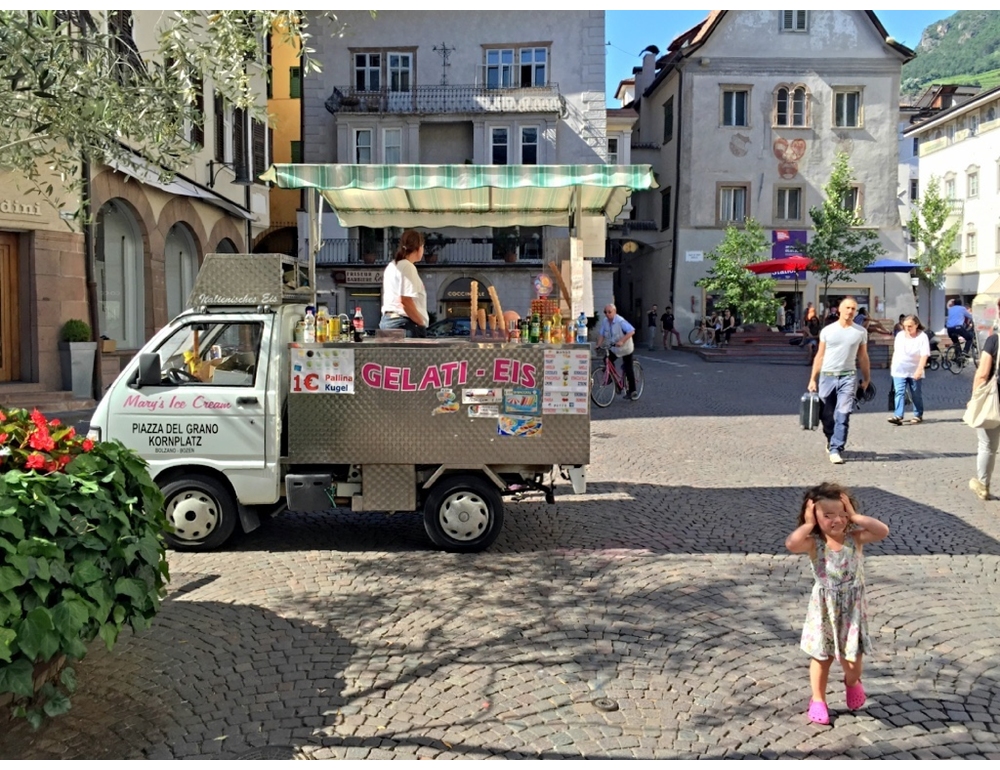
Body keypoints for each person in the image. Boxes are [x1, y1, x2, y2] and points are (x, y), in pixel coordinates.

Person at [785, 483, 890, 725]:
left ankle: (852, 681)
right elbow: (791, 544)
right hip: (824, 609)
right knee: (822, 658)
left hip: (852, 611)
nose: (837, 520)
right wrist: (808, 524)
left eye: (842, 514)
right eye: (828, 515)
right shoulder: (814, 543)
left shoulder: (855, 538)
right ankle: (818, 699)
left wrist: (855, 515)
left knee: (853, 661)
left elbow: (882, 531)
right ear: (814, 516)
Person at [807, 297, 871, 464]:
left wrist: (867, 378)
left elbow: (863, 356)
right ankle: (830, 438)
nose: (850, 311)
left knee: (843, 413)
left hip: (848, 376)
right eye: (848, 308)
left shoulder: (860, 332)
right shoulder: (827, 331)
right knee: (826, 414)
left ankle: (836, 448)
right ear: (839, 310)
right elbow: (819, 356)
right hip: (827, 376)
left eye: (854, 309)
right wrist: (813, 379)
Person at [970, 302, 1000, 500]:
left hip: (994, 399)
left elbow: (983, 373)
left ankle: (983, 484)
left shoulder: (995, 340)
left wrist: (974, 398)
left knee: (987, 446)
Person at [379, 229, 428, 337]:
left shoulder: (392, 266)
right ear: (418, 247)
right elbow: (405, 300)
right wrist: (420, 323)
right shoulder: (408, 267)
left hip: (388, 321)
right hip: (404, 323)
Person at [888, 315, 929, 426]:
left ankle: (918, 414)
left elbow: (924, 354)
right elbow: (897, 352)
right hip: (899, 369)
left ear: (916, 325)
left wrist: (919, 369)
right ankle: (898, 415)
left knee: (916, 393)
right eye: (905, 326)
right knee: (899, 392)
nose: (907, 328)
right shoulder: (900, 335)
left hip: (914, 369)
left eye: (910, 326)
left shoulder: (922, 337)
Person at [596, 304, 638, 400]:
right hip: (614, 348)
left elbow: (631, 331)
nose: (607, 314)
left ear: (614, 312)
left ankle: (633, 391)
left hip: (626, 348)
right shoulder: (605, 322)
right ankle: (611, 377)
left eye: (609, 312)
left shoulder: (620, 321)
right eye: (605, 312)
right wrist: (598, 344)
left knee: (628, 368)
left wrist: (622, 341)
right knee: (607, 359)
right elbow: (602, 334)